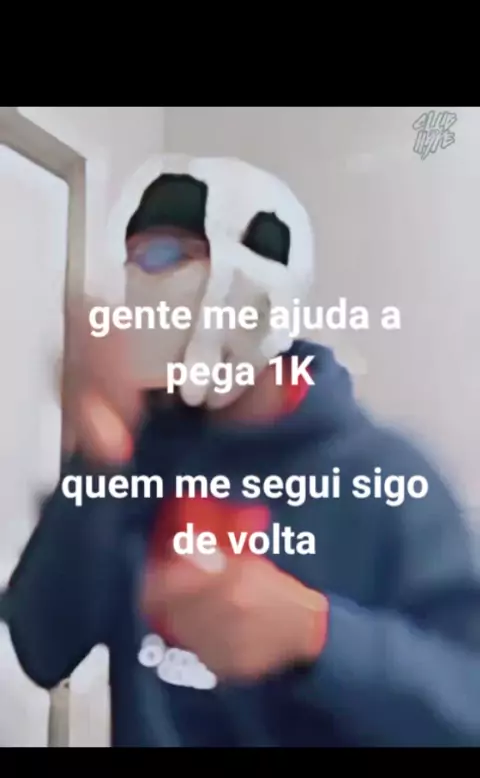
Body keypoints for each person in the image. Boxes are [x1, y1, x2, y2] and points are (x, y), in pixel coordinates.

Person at [5, 155, 480, 747]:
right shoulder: (137, 460)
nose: (139, 287)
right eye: (134, 262)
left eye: (163, 256)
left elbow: (467, 704)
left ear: (252, 282)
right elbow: (42, 649)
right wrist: (100, 453)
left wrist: (317, 635)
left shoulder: (385, 475)